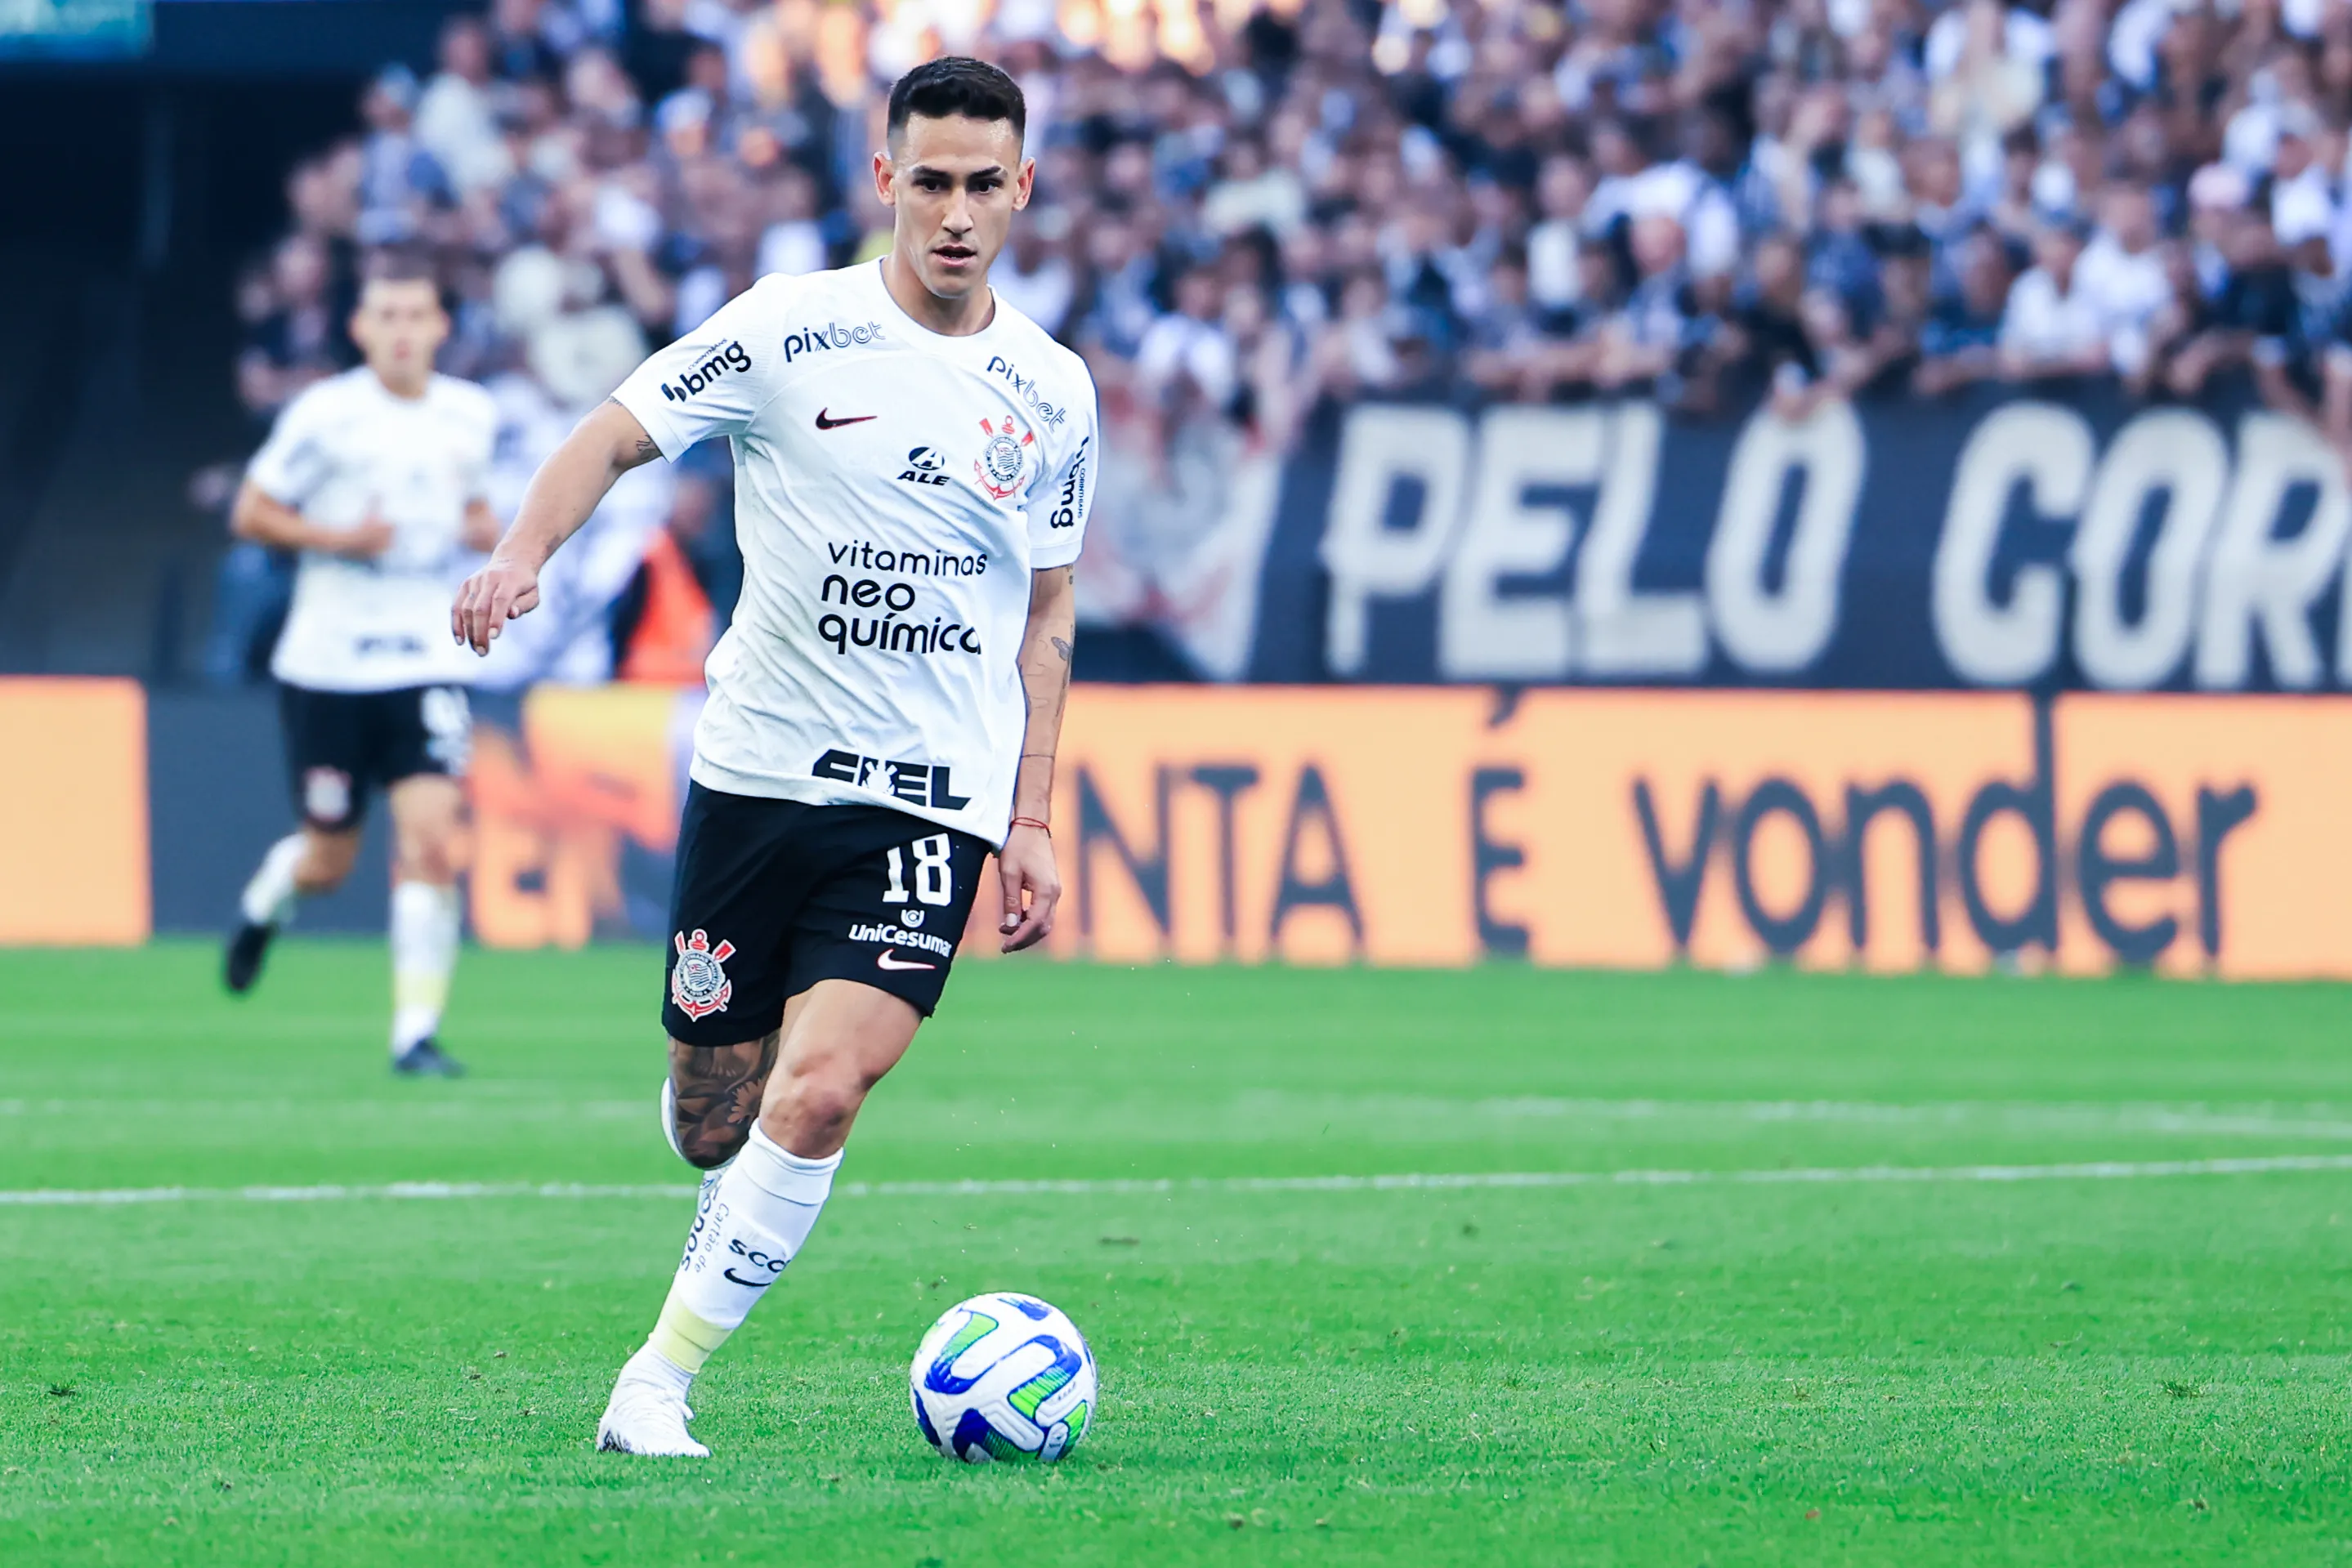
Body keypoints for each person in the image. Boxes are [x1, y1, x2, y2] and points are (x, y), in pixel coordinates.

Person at [450, 56, 1095, 1459]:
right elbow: (613, 436)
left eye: (985, 184)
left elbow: (1047, 612)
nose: (955, 211)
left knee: (819, 1088)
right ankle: (712, 1146)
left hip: (929, 802)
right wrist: (520, 551)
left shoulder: (1051, 389)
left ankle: (655, 1380)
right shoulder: (785, 331)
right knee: (710, 1111)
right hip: (753, 778)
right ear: (885, 180)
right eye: (929, 180)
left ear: (1022, 190)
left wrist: (1030, 813)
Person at [224, 252, 500, 1079]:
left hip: (426, 655)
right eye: (388, 316)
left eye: (418, 315)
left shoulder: (469, 414)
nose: (404, 331)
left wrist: (493, 537)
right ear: (360, 328)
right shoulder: (326, 414)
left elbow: (477, 508)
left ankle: (415, 1032)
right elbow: (251, 510)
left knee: (430, 841)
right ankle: (266, 900)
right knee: (329, 860)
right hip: (329, 659)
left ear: (442, 326)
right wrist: (337, 540)